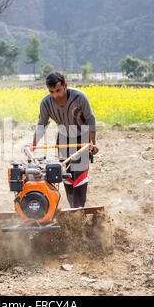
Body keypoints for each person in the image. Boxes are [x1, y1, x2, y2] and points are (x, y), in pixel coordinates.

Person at [32, 72, 99, 208]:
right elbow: (42, 125)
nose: (56, 95)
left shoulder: (79, 97)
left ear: (65, 86)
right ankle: (72, 208)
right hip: (63, 138)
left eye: (58, 90)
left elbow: (91, 119)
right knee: (66, 174)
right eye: (52, 92)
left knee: (79, 175)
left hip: (82, 137)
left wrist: (93, 143)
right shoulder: (46, 103)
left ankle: (78, 209)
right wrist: (33, 144)